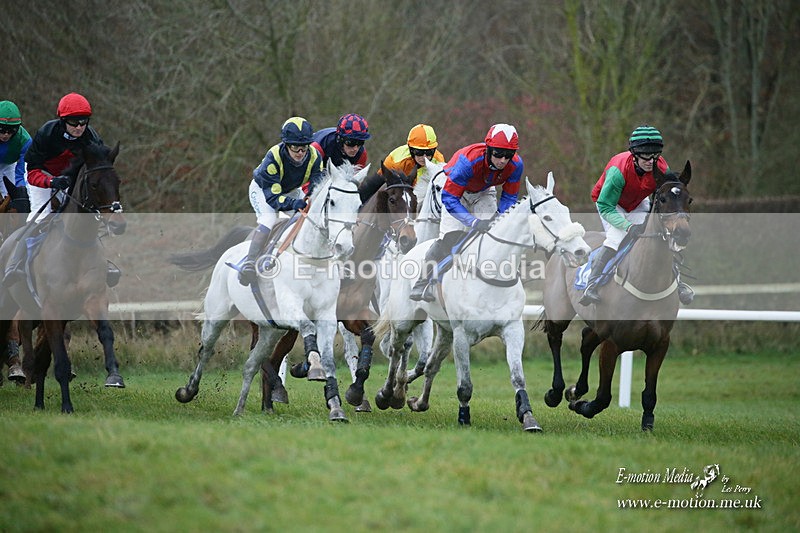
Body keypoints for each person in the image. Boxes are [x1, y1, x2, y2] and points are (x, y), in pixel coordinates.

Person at [579, 125, 694, 306]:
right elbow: (605, 205)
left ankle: (678, 283)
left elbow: (668, 192)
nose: (650, 161)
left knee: (657, 236)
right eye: (645, 156)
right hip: (610, 204)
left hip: (638, 202)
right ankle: (591, 284)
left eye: (654, 155)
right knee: (617, 236)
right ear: (634, 154)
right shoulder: (618, 171)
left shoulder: (661, 166)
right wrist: (628, 226)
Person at [409, 123, 523, 302]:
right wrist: (473, 222)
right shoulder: (468, 161)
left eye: (508, 155)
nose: (502, 160)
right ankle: (422, 281)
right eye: (498, 154)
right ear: (489, 149)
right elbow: (449, 199)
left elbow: (509, 198)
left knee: (495, 234)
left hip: (484, 192)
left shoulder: (516, 165)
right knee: (450, 239)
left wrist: (499, 219)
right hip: (456, 193)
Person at [3, 93, 102, 287]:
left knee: (87, 216)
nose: (80, 127)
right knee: (40, 218)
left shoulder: (91, 138)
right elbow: (31, 172)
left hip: (69, 179)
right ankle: (15, 264)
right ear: (63, 120)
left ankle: (101, 264)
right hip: (42, 175)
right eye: (74, 122)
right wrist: (50, 181)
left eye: (84, 122)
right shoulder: (46, 134)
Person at [238, 116, 325, 285]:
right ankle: (250, 261)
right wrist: (294, 204)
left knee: (308, 217)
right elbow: (274, 198)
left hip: (290, 190)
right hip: (263, 190)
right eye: (295, 147)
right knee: (269, 219)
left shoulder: (314, 157)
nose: (300, 153)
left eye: (304, 147)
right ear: (286, 144)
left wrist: (310, 199)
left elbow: (316, 185)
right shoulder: (274, 157)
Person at [0, 100, 32, 195]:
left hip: (9, 164)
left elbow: (21, 172)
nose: (6, 135)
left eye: (11, 130)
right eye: (1, 130)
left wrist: (21, 192)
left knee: (17, 194)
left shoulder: (25, 141)